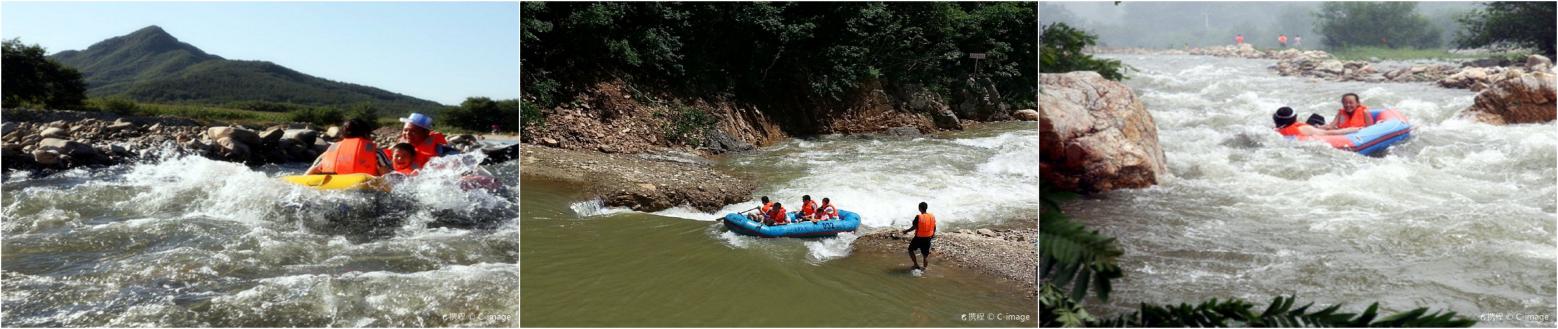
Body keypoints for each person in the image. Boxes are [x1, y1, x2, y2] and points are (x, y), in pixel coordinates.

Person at [306, 119, 392, 176]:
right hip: (364, 189)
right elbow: (388, 178)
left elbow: (313, 170)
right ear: (366, 134)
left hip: (333, 188)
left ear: (343, 135)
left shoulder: (330, 151)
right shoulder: (376, 153)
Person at [1273, 107, 1359, 137]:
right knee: (1318, 118)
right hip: (1313, 132)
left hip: (1310, 129)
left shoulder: (1275, 129)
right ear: (1294, 117)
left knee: (1314, 118)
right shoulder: (1305, 129)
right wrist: (1349, 130)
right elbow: (1328, 133)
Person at [901, 202, 936, 271]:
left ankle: (916, 264)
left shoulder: (919, 217)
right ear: (926, 208)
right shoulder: (932, 216)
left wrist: (906, 231)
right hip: (928, 238)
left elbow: (914, 227)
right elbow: (934, 227)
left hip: (919, 238)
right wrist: (932, 235)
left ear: (919, 208)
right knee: (925, 256)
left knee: (910, 249)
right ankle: (924, 269)